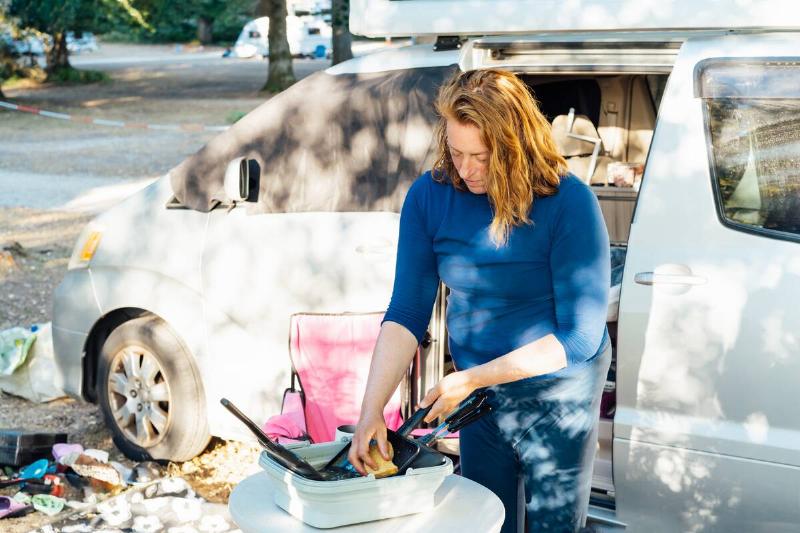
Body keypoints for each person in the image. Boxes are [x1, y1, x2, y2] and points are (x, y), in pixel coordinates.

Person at [348, 69, 611, 533]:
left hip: (558, 392)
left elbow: (580, 337)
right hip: (480, 397)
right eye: (456, 151)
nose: (465, 170)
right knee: (487, 518)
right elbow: (408, 311)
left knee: (555, 524)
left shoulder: (569, 201)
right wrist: (371, 411)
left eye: (482, 157)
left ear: (516, 147)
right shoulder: (429, 196)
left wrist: (469, 378)